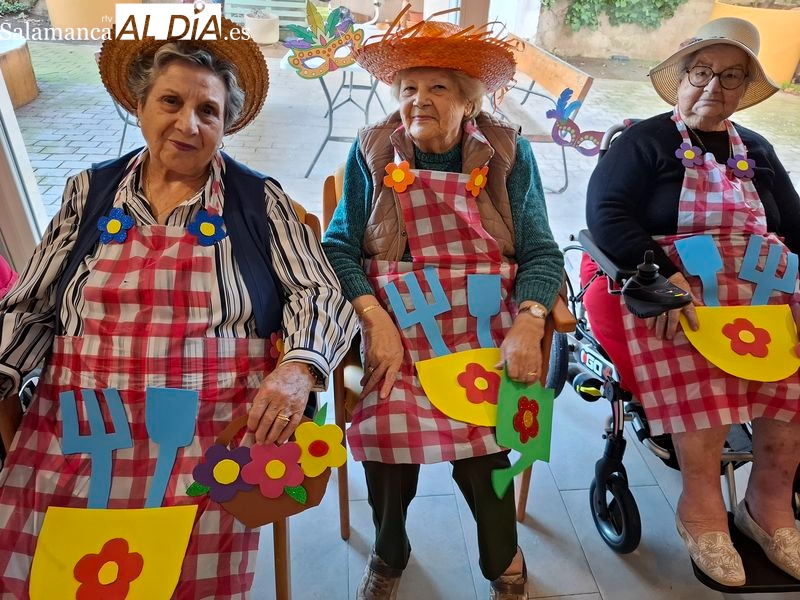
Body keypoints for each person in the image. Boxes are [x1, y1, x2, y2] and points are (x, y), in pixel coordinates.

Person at [0, 18, 356, 598]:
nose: (187, 124)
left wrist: (298, 368)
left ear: (226, 123)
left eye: (208, 111)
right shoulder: (88, 192)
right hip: (85, 421)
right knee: (52, 567)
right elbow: (34, 303)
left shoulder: (257, 200)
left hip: (206, 428)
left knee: (183, 571)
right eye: (170, 101)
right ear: (139, 105)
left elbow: (318, 292)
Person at [322, 13, 564, 600]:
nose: (418, 100)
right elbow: (337, 246)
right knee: (385, 431)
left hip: (485, 328)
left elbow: (541, 250)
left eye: (438, 88)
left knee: (488, 440)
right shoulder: (374, 149)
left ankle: (502, 559)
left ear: (468, 100)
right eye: (408, 88)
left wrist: (530, 322)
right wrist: (372, 318)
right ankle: (389, 551)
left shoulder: (507, 153)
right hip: (398, 331)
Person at [585, 17, 800, 587]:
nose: (713, 87)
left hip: (766, 282)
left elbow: (795, 225)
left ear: (745, 90)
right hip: (680, 277)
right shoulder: (643, 142)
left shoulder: (756, 148)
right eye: (701, 72)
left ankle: (769, 507)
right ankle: (702, 511)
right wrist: (658, 280)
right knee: (694, 348)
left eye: (731, 77)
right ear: (680, 78)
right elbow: (606, 217)